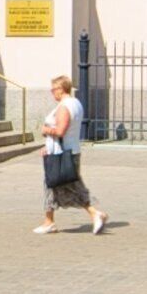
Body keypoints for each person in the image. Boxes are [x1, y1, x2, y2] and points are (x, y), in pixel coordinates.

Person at [36, 73, 101, 235]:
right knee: (53, 186)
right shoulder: (76, 103)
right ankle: (49, 221)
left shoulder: (65, 106)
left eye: (53, 90)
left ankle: (95, 213)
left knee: (69, 186)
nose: (52, 93)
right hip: (65, 151)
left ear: (60, 89)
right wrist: (48, 145)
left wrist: (45, 130)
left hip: (61, 154)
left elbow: (60, 131)